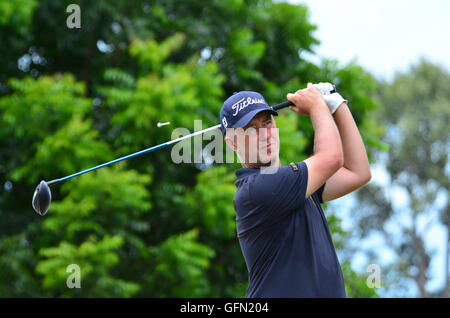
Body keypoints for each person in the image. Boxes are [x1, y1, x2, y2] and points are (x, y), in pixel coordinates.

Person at [219, 83, 371, 297]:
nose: (264, 134)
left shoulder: (296, 185)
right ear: (233, 143)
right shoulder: (256, 190)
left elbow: (358, 172)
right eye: (251, 129)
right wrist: (318, 105)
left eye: (267, 122)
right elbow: (331, 158)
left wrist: (337, 104)